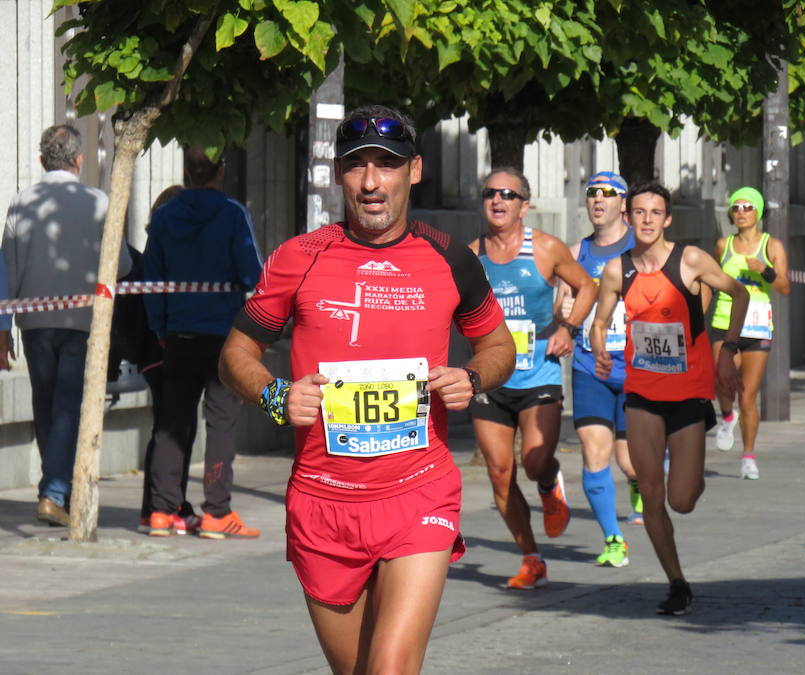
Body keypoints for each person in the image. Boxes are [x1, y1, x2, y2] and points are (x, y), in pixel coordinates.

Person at [218, 104, 514, 673]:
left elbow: (500, 346)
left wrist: (472, 377)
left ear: (415, 170)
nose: (372, 182)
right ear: (339, 175)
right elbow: (235, 354)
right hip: (323, 501)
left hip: (418, 491)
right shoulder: (298, 258)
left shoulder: (449, 256)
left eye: (388, 164)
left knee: (390, 668)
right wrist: (276, 396)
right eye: (357, 167)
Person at [593, 182, 748, 615]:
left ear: (667, 219)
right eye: (638, 212)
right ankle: (677, 583)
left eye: (654, 213)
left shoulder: (690, 261)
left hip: (688, 396)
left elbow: (739, 293)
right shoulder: (616, 270)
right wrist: (601, 346)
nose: (646, 220)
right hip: (642, 393)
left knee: (682, 499)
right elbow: (600, 320)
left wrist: (728, 352)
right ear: (627, 217)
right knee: (652, 494)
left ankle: (694, 474)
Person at [469, 167, 597, 589]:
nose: (497, 200)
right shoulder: (471, 257)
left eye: (508, 194)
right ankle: (531, 557)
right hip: (490, 378)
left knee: (535, 460)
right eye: (490, 193)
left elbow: (588, 288)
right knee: (499, 472)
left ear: (525, 205)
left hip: (538, 370)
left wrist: (569, 329)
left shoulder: (545, 248)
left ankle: (548, 480)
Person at [3, 124, 132, 527]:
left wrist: (4, 327)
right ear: (79, 161)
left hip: (34, 320)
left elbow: (7, 269)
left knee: (46, 406)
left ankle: (54, 488)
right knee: (66, 408)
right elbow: (122, 264)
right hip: (82, 320)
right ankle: (55, 492)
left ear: (42, 160)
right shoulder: (97, 201)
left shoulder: (22, 202)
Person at [143, 150, 263, 539]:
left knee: (171, 421)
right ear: (221, 170)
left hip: (177, 334)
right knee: (222, 422)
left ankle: (161, 512)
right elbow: (252, 274)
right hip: (222, 335)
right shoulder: (232, 214)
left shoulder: (163, 217)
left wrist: (161, 327)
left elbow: (151, 281)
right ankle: (216, 512)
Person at [556, 171, 642, 570]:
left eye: (608, 194)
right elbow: (564, 303)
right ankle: (613, 539)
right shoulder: (576, 253)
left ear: (622, 204)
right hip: (592, 366)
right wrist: (566, 311)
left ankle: (641, 481)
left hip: (639, 367)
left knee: (630, 462)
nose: (598, 200)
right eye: (592, 193)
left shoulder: (640, 249)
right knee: (594, 452)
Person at [122, 185, 199, 534]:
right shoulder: (170, 250)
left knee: (167, 428)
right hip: (164, 350)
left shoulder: (156, 247)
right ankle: (168, 505)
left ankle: (156, 506)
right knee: (174, 430)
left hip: (154, 352)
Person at [709, 187, 790, 480]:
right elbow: (709, 278)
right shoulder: (722, 245)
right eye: (736, 207)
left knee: (748, 396)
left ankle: (748, 457)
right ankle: (727, 417)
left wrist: (765, 270)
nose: (741, 212)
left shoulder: (772, 246)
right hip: (724, 321)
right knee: (721, 378)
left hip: (756, 325)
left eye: (748, 207)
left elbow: (784, 287)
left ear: (758, 212)